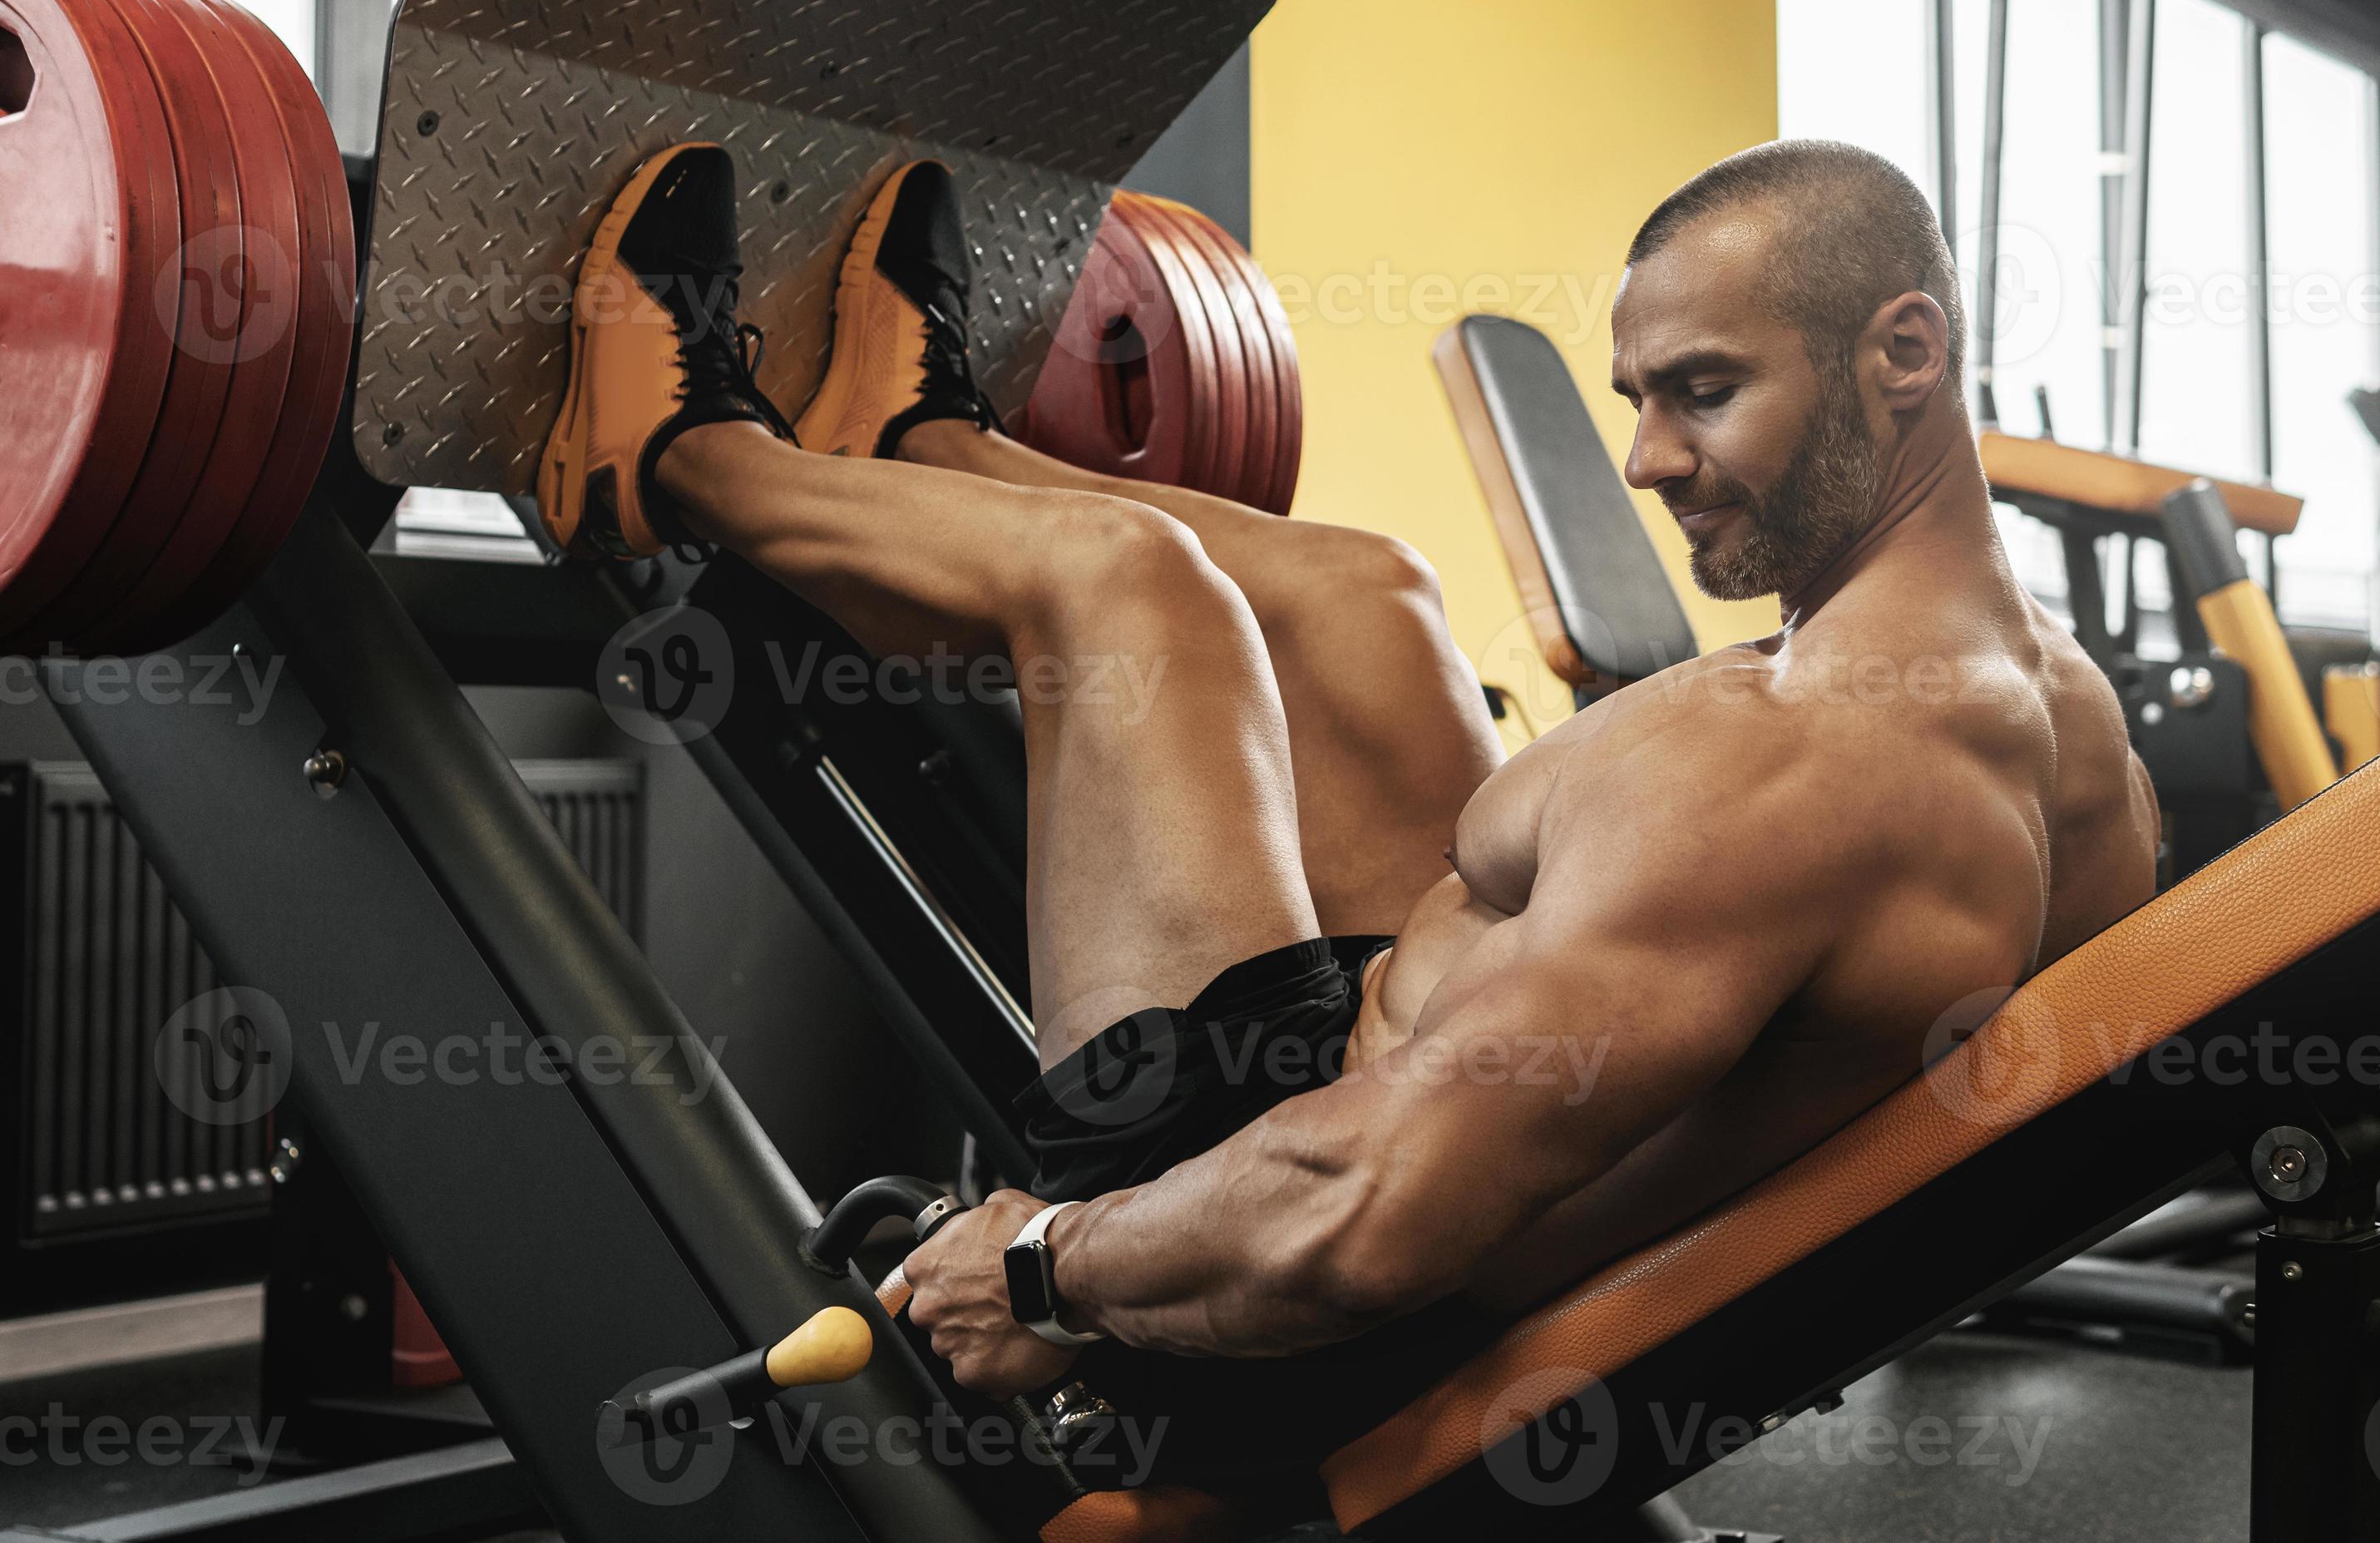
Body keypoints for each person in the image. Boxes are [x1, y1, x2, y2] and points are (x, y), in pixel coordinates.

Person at [537, 136, 2160, 1481]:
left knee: (1125, 584)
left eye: (1704, 391)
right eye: (1637, 399)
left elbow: (1359, 1222)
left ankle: (683, 466)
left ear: (1903, 352)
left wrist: (1047, 1264)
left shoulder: (1800, 766)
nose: (1649, 460)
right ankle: (925, 445)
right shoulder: (2062, 717)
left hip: (1269, 1271)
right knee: (1367, 590)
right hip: (1425, 1114)